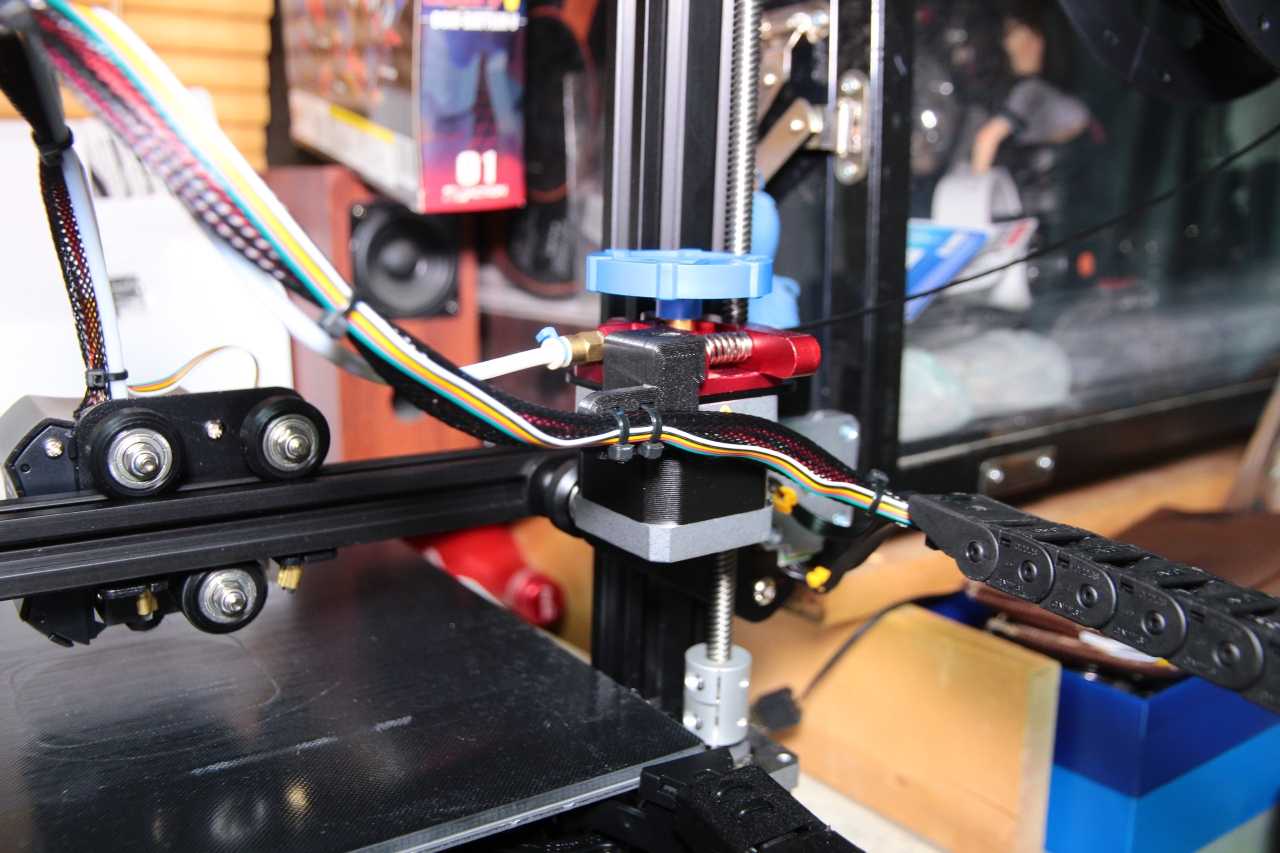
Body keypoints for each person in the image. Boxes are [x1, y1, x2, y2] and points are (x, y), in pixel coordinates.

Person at [971, 4, 1089, 174]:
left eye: (1015, 30)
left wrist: (976, 184)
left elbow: (987, 140)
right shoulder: (1016, 91)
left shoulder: (1029, 91)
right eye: (1008, 34)